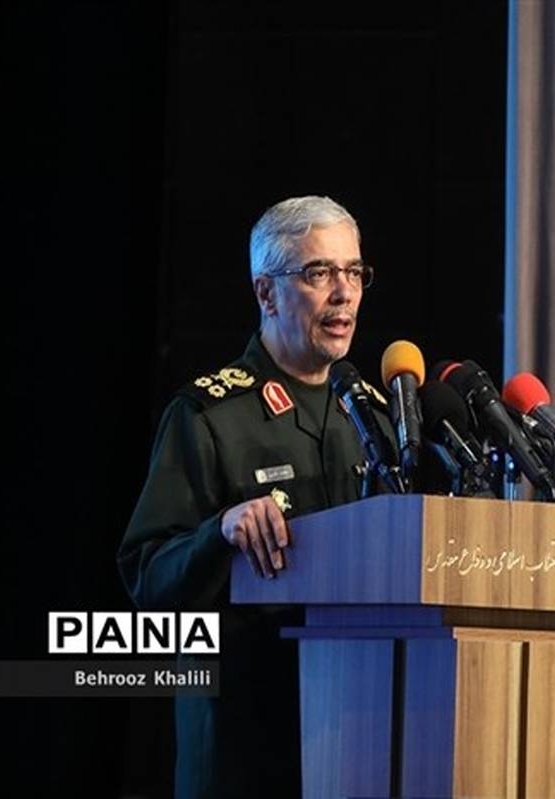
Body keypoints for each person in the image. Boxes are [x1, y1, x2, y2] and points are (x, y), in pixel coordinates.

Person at [118, 195, 388, 798]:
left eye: (353, 272)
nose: (344, 293)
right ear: (267, 293)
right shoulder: (209, 415)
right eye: (319, 273)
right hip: (243, 747)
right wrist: (219, 532)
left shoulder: (372, 417)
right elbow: (147, 576)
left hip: (354, 735)